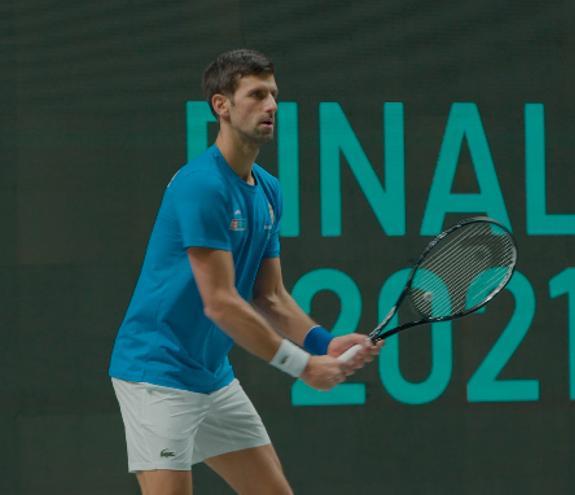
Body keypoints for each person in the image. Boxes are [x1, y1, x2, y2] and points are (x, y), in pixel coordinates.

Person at [108, 48, 380, 495]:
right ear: (222, 105)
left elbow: (268, 295)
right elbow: (220, 303)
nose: (271, 105)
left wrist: (323, 342)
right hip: (156, 374)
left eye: (274, 94)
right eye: (257, 94)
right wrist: (302, 366)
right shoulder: (202, 186)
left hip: (211, 374)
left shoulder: (268, 190)